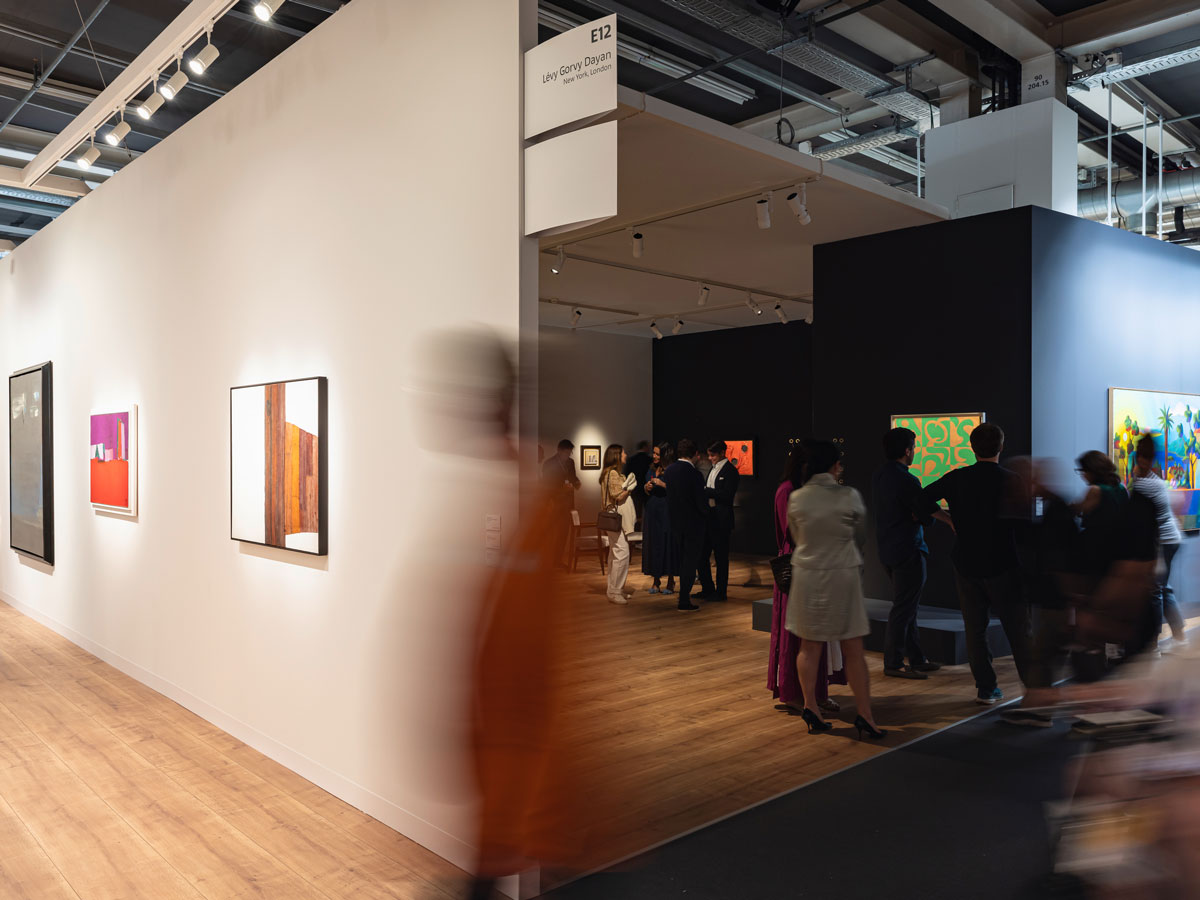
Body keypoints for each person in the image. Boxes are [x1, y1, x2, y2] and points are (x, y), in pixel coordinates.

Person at [921, 422, 1031, 705]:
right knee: (1018, 630)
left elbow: (919, 499)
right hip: (1004, 563)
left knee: (975, 629)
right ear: (1001, 447)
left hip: (967, 562)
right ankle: (1033, 688)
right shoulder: (1012, 479)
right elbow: (1025, 525)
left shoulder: (958, 477)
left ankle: (986, 688)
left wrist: (947, 519)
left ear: (972, 447)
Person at [786, 441, 886, 740]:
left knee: (809, 645)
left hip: (807, 575)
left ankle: (810, 707)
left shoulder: (797, 498)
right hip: (842, 574)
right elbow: (859, 535)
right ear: (834, 465)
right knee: (853, 649)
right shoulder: (849, 496)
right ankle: (865, 715)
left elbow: (796, 536)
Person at [769, 441, 845, 715]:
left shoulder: (803, 490)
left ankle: (818, 693)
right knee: (795, 636)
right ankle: (793, 694)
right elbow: (792, 533)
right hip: (799, 566)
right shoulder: (787, 491)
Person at [872, 427, 946, 680]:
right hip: (908, 550)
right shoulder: (906, 479)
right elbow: (926, 511)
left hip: (888, 549)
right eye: (914, 447)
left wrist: (920, 514)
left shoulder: (881, 475)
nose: (915, 451)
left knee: (907, 606)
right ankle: (893, 663)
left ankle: (917, 658)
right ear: (907, 450)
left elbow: (915, 511)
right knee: (904, 608)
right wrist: (935, 519)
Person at [1129, 435, 1186, 650]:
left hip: (1163, 540)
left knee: (1155, 590)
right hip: (1170, 538)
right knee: (1162, 587)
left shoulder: (1144, 484)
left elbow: (1136, 509)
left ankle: (1152, 644)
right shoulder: (1155, 480)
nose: (1140, 462)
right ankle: (1179, 634)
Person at [663, 438, 708, 612]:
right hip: (693, 525)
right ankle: (684, 600)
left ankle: (683, 598)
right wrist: (706, 513)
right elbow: (700, 502)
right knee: (690, 562)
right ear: (695, 454)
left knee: (682, 561)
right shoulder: (695, 474)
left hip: (675, 522)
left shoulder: (670, 471)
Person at [696, 440, 740, 602]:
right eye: (709, 455)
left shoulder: (731, 471)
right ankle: (707, 588)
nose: (710, 458)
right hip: (709, 518)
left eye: (713, 455)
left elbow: (728, 496)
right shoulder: (713, 468)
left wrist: (708, 491)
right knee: (702, 555)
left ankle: (721, 592)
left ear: (722, 453)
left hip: (721, 520)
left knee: (721, 558)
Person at [599, 444, 636, 605]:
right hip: (616, 518)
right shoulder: (613, 474)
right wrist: (629, 488)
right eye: (623, 453)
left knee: (615, 553)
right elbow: (618, 496)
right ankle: (615, 591)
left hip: (611, 518)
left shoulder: (608, 473)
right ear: (616, 455)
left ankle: (614, 589)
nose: (626, 455)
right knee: (622, 553)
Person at [642, 443, 678, 595]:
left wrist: (662, 483)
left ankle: (670, 580)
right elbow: (645, 488)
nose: (654, 456)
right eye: (654, 454)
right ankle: (656, 579)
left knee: (667, 542)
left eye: (657, 454)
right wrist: (646, 487)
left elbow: (677, 490)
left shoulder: (672, 470)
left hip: (666, 510)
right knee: (654, 543)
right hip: (652, 510)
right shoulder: (651, 468)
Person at [542, 439, 581, 568]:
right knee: (550, 533)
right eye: (566, 452)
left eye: (570, 453)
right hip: (554, 503)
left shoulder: (570, 462)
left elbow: (573, 478)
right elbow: (547, 485)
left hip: (567, 504)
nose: (568, 455)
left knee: (563, 532)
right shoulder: (549, 464)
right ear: (559, 451)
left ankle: (557, 560)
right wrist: (561, 488)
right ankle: (547, 560)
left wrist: (576, 483)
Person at [625, 440, 653, 528]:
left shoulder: (631, 460)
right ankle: (647, 534)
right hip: (647, 489)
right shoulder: (649, 460)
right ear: (645, 447)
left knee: (636, 514)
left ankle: (635, 535)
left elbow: (627, 475)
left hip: (635, 490)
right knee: (649, 513)